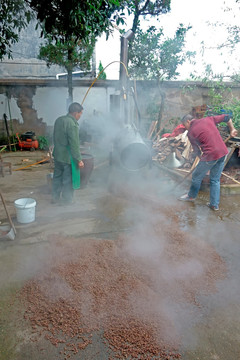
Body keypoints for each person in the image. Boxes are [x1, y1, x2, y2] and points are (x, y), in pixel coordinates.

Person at [178, 113, 238, 210]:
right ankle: (214, 205)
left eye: (185, 125)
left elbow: (197, 151)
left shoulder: (191, 133)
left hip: (210, 155)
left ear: (188, 121)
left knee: (196, 177)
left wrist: (202, 160)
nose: (185, 128)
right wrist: (232, 129)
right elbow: (227, 117)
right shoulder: (208, 119)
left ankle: (191, 196)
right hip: (223, 152)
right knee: (215, 180)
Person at [52, 102, 84, 205]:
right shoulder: (72, 124)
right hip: (67, 157)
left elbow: (55, 137)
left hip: (57, 155)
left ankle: (55, 198)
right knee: (68, 180)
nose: (80, 116)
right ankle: (67, 201)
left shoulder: (59, 120)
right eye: (80, 113)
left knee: (57, 177)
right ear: (75, 113)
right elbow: (74, 144)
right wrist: (79, 159)